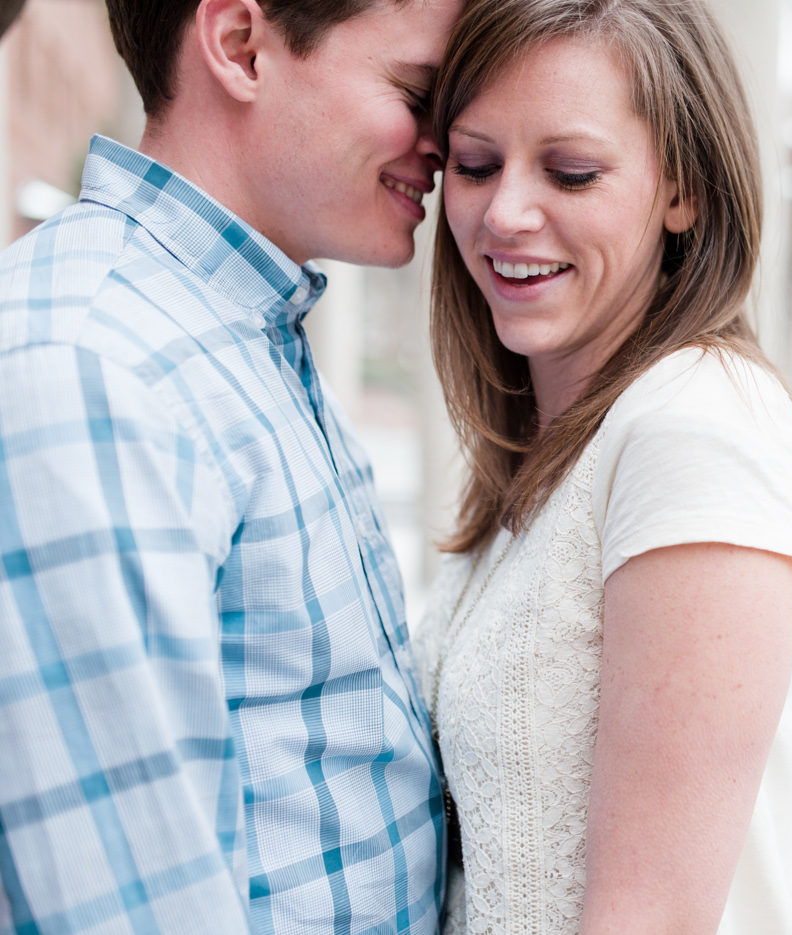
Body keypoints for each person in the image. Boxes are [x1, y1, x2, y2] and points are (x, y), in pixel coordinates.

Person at [0, 0, 461, 931]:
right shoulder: (93, 367)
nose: (444, 142)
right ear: (242, 45)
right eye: (416, 92)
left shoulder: (226, 332)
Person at [414, 1, 792, 933]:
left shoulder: (698, 426)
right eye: (474, 165)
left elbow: (654, 918)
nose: (504, 212)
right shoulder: (545, 451)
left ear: (682, 189)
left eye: (571, 171)